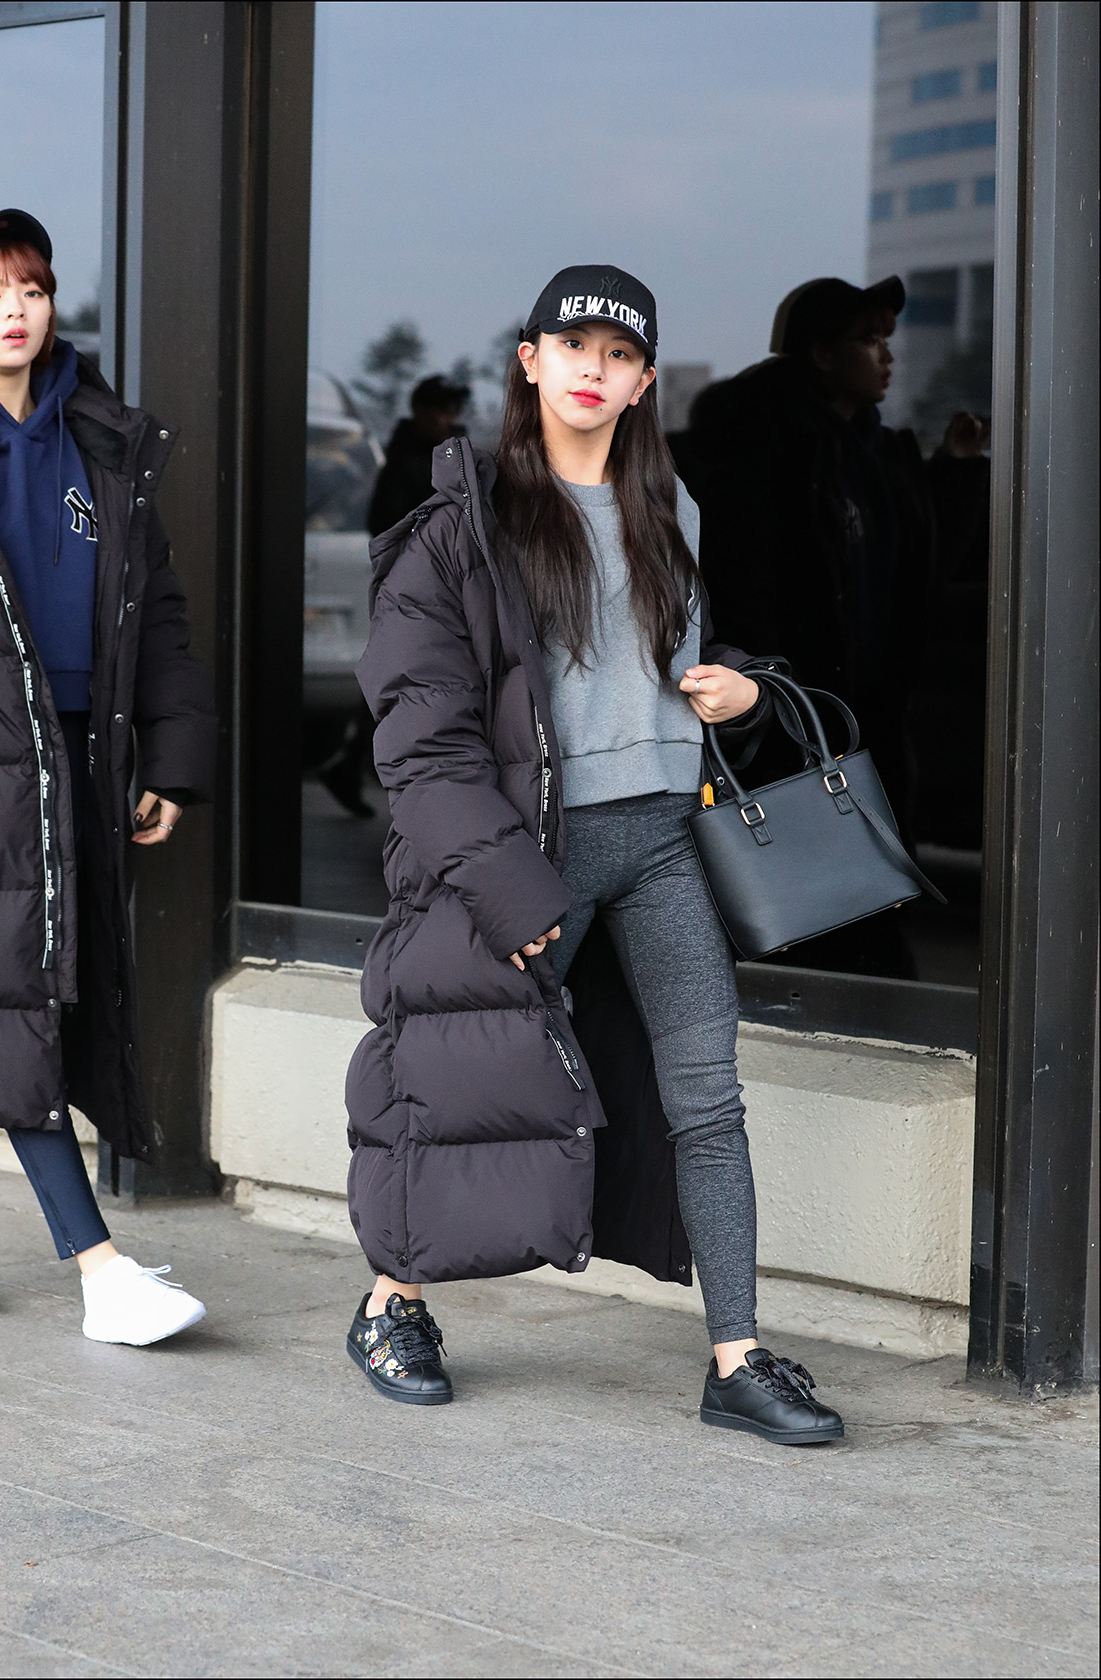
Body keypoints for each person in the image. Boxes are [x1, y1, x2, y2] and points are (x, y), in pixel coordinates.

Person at [342, 264, 844, 1446]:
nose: (593, 370)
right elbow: (421, 737)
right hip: (538, 853)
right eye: (572, 347)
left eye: (618, 356)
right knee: (457, 1079)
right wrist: (508, 886)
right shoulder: (468, 528)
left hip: (663, 841)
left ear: (643, 382)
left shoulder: (675, 511)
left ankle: (737, 1357)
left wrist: (740, 694)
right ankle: (389, 1302)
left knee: (706, 1096)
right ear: (529, 361)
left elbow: (663, 671)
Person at [0, 210, 216, 1344]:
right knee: (15, 995)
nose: (15, 310)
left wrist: (170, 757)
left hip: (82, 748)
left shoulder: (99, 435)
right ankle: (100, 1269)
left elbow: (157, 609)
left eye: (30, 288)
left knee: (8, 993)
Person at [670, 277, 988, 974]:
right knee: (818, 922)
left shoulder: (876, 453)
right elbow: (744, 582)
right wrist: (765, 692)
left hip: (867, 721)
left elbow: (912, 576)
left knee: (866, 910)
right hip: (793, 721)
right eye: (868, 341)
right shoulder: (770, 451)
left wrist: (956, 474)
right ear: (820, 354)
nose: (887, 356)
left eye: (887, 340)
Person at [366, 373, 470, 538]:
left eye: (454, 411)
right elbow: (385, 526)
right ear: (421, 412)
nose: (450, 420)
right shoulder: (403, 466)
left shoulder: (463, 461)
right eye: (443, 410)